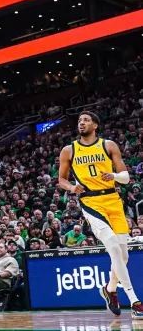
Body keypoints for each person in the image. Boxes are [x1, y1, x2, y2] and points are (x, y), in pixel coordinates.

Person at [58, 111, 143, 319]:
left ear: (95, 125)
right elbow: (61, 179)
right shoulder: (69, 150)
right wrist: (71, 187)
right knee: (112, 245)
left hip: (113, 200)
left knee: (123, 255)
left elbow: (125, 177)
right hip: (90, 202)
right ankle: (135, 301)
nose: (81, 123)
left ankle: (110, 289)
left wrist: (112, 175)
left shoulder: (109, 145)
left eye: (86, 120)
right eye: (79, 121)